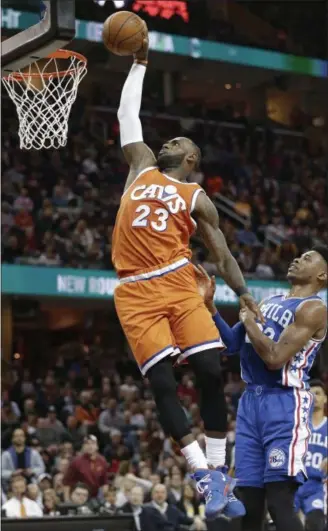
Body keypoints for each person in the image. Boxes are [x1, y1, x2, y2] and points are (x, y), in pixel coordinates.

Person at [112, 28, 260, 520]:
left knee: (211, 373)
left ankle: (221, 476)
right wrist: (140, 63)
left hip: (179, 282)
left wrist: (243, 294)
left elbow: (220, 253)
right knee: (161, 387)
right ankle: (200, 471)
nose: (169, 140)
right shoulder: (142, 166)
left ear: (192, 159)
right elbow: (126, 115)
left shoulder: (196, 197)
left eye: (180, 139)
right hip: (134, 290)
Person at [195, 245, 328, 531]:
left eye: (307, 258)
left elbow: (274, 358)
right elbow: (232, 344)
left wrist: (248, 320)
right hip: (250, 403)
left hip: (285, 404)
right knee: (249, 503)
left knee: (279, 502)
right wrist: (210, 306)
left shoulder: (314, 308)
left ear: (322, 275)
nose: (296, 259)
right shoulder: (270, 300)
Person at [295, 380, 327, 531]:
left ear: (325, 398)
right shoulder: (297, 426)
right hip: (293, 484)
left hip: (316, 487)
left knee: (316, 523)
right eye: (311, 394)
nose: (314, 396)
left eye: (318, 393)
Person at [63, 435, 108, 500]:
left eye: (92, 443)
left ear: (97, 446)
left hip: (95, 497)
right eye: (87, 443)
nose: (90, 446)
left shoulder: (102, 461)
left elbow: (104, 483)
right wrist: (67, 501)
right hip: (79, 496)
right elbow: (67, 483)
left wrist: (104, 499)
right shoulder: (76, 462)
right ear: (83, 446)